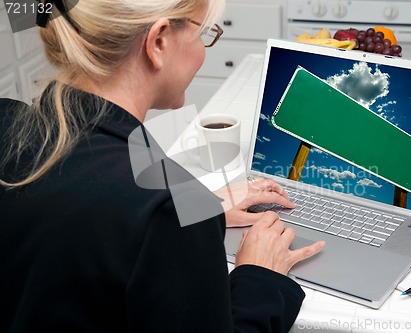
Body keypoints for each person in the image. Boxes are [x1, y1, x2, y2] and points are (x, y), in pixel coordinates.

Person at [0, 0, 325, 332]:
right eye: (204, 35)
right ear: (159, 42)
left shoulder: (7, 118)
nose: (203, 50)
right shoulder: (162, 214)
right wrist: (261, 276)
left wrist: (198, 203)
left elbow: (97, 161)